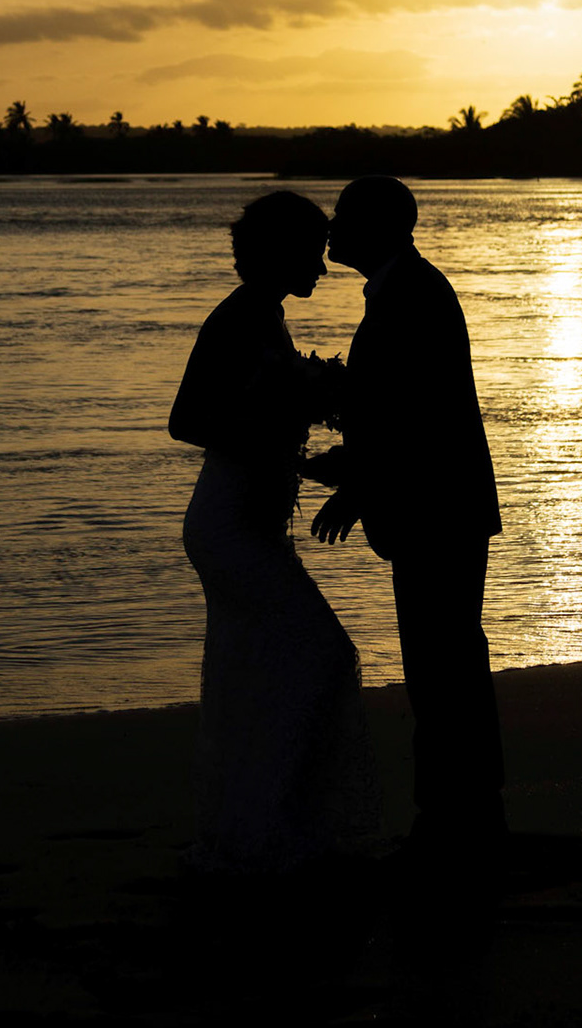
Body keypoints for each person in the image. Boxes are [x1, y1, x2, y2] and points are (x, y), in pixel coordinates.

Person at [169, 190, 379, 873]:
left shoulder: (266, 317)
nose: (321, 265)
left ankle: (258, 827)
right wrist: (289, 439)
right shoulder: (240, 318)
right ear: (283, 252)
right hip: (229, 524)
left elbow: (261, 423)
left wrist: (303, 443)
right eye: (313, 251)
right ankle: (272, 829)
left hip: (250, 523)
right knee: (318, 655)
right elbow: (189, 421)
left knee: (258, 669)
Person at [307, 176, 506, 858]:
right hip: (437, 505)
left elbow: (415, 421)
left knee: (441, 664)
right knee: (446, 662)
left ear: (380, 228)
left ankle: (454, 815)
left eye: (342, 218)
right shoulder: (406, 290)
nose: (331, 230)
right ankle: (463, 808)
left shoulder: (413, 295)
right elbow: (394, 415)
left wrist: (353, 485)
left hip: (436, 510)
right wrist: (347, 468)